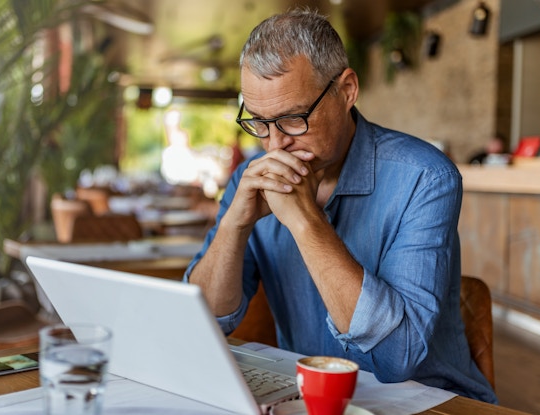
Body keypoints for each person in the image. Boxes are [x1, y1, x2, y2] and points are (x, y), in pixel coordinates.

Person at [184, 9, 497, 404]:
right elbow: (202, 324)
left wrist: (304, 221)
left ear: (346, 90)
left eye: (293, 119)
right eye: (259, 122)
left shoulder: (424, 178)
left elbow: (397, 357)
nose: (274, 145)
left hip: (427, 403)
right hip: (311, 401)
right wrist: (234, 224)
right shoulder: (252, 179)